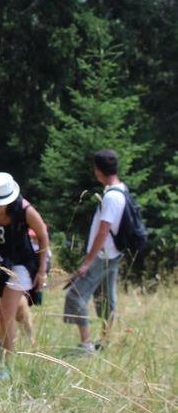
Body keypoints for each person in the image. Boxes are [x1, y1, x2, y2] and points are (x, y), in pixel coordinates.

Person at [0, 172, 49, 374]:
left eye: (1, 201)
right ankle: (9, 344)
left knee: (7, 312)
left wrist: (42, 270)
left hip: (21, 261)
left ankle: (9, 364)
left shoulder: (26, 210)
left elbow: (42, 235)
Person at [63, 149, 126, 353]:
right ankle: (105, 341)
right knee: (107, 298)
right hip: (113, 254)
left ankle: (86, 345)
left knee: (75, 295)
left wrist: (87, 262)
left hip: (102, 255)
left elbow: (103, 232)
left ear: (98, 170)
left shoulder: (111, 198)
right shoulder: (122, 190)